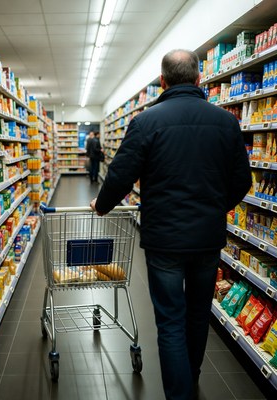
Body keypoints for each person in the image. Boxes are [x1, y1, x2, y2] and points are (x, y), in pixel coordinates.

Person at [90, 49, 251, 400]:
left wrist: (101, 206)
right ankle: (190, 378)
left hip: (164, 240)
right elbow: (242, 181)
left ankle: (179, 394)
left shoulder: (147, 121)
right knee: (197, 316)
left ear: (162, 82)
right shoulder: (226, 122)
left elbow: (121, 173)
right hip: (207, 240)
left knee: (170, 322)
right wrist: (214, 208)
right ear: (198, 80)